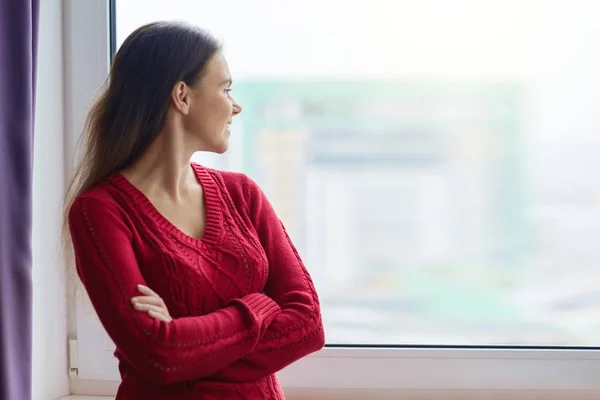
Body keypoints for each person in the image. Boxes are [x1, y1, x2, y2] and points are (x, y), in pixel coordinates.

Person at [63, 21, 325, 399]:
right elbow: (160, 357)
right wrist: (257, 307)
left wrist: (185, 341)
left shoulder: (243, 195)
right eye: (225, 88)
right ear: (182, 96)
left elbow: (307, 325)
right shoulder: (100, 212)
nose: (237, 106)